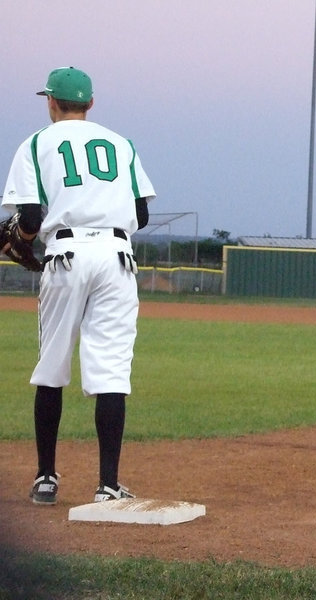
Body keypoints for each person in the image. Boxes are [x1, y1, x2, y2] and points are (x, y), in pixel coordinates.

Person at [1, 67, 155, 505]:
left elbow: (29, 219)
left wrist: (23, 236)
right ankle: (108, 484)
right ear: (90, 105)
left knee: (52, 367)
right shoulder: (121, 144)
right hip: (117, 258)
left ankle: (46, 478)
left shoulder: (35, 143)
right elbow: (140, 216)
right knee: (110, 372)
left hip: (66, 255)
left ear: (51, 103)